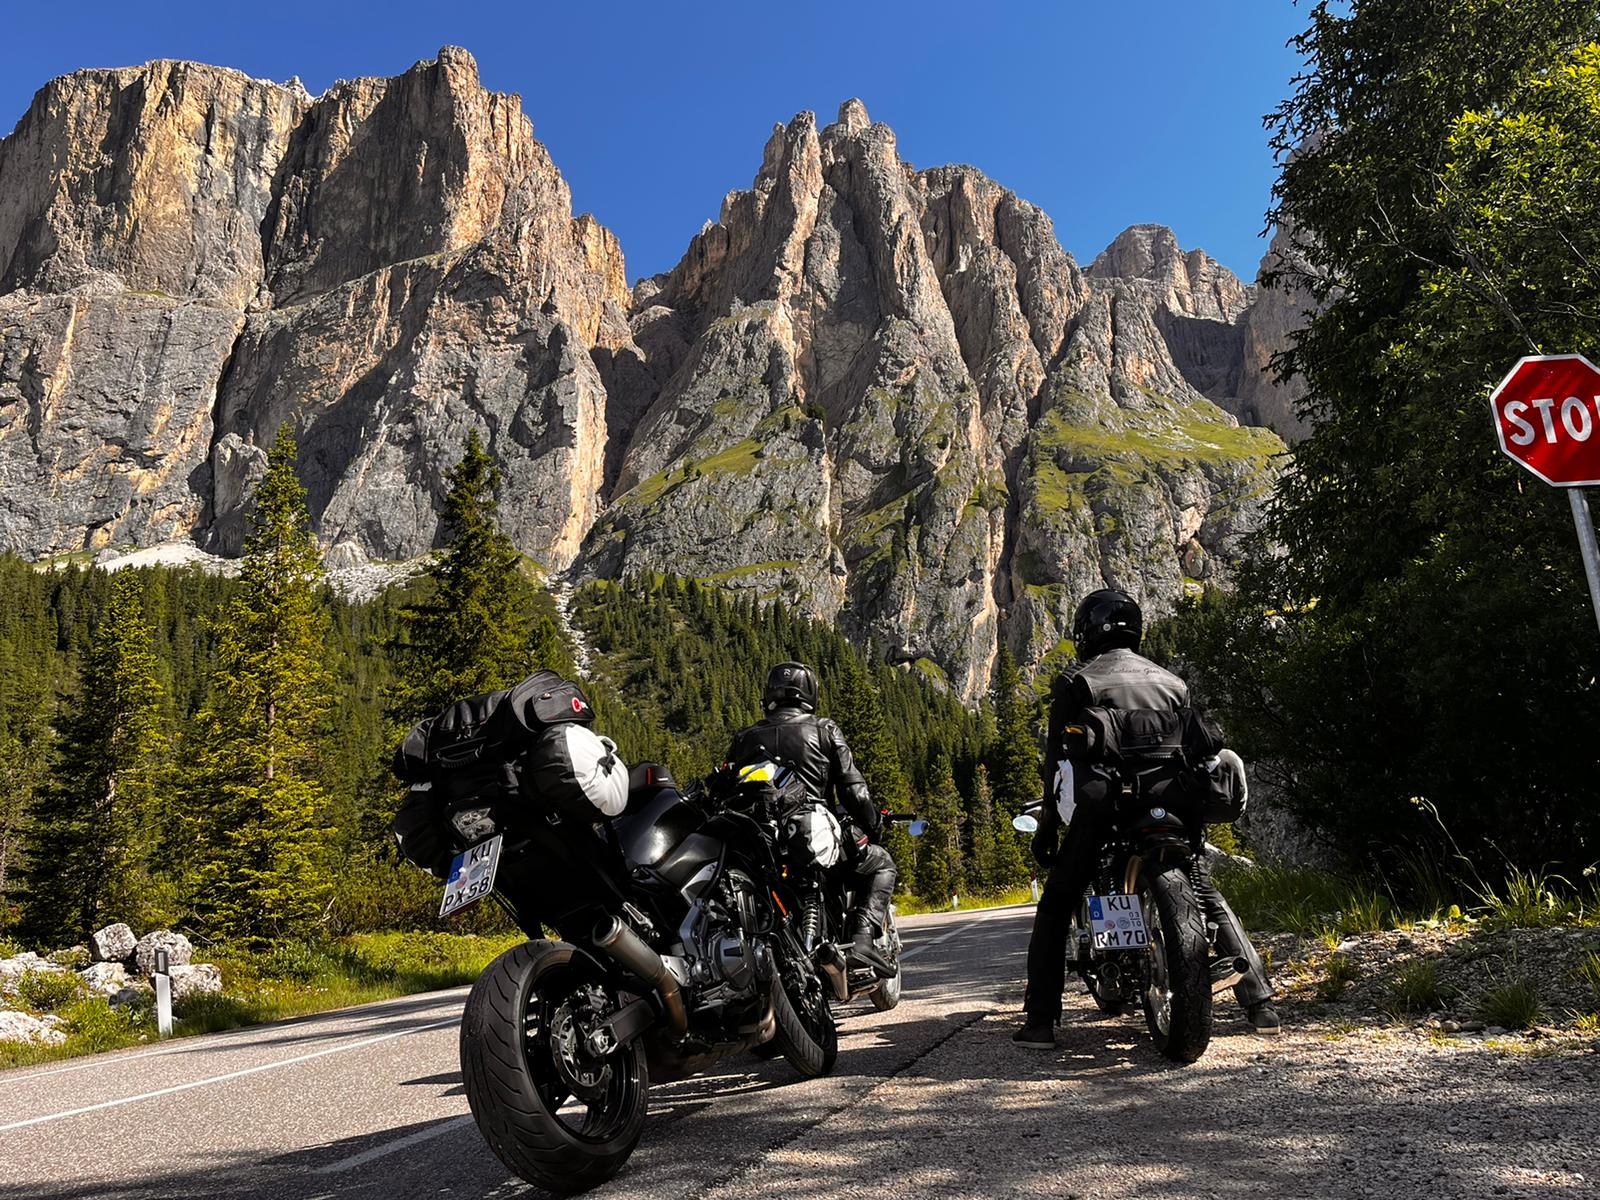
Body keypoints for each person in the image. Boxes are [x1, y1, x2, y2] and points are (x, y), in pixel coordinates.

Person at [1013, 589, 1279, 1048]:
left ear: (1086, 632)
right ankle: (1260, 1003)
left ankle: (1040, 1021)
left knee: (1057, 902)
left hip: (1108, 807)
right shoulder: (1173, 683)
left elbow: (1057, 763)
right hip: (1175, 802)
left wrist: (1048, 831)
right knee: (1204, 892)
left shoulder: (1078, 682)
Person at [728, 662, 896, 976]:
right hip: (812, 837)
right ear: (810, 693)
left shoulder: (744, 738)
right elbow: (856, 793)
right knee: (882, 863)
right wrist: (873, 828)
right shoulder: (823, 729)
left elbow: (728, 790)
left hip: (761, 846)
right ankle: (862, 939)